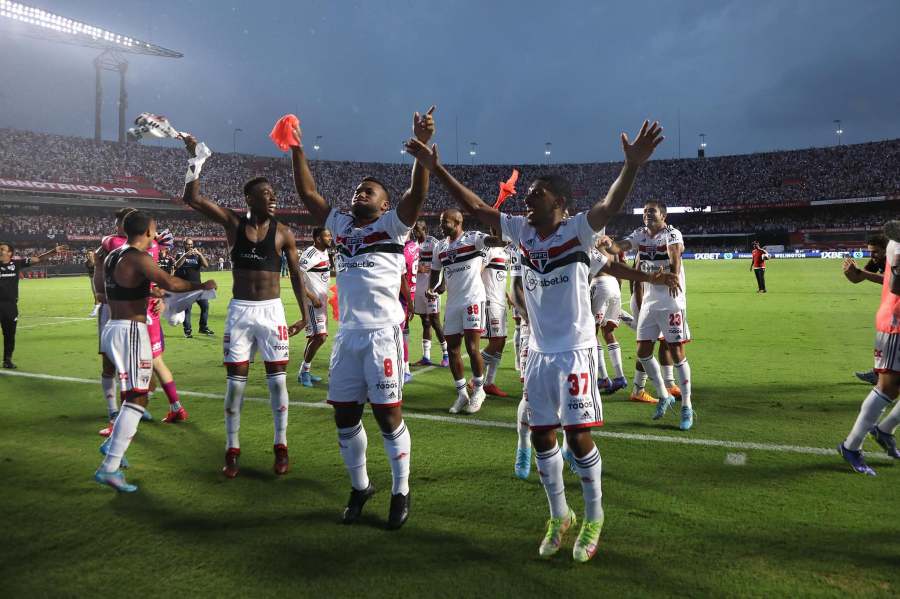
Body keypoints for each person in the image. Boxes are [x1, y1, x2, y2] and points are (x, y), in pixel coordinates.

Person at [405, 119, 666, 563]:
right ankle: (559, 514)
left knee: (578, 438)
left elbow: (609, 204)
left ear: (560, 204)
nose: (528, 198)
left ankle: (594, 516)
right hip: (541, 355)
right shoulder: (521, 232)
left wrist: (632, 167)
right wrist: (438, 166)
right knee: (543, 436)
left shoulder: (579, 231)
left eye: (538, 193)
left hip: (577, 352)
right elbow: (475, 205)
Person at [291, 105, 434, 530]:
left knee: (389, 416)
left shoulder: (393, 225)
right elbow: (308, 195)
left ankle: (400, 490)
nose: (359, 194)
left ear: (385, 203)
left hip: (383, 336)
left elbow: (418, 196)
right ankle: (360, 486)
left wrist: (422, 147)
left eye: (368, 191)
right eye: (357, 190)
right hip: (348, 335)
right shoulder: (341, 225)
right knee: (345, 416)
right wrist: (296, 147)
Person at [181, 133, 307, 478]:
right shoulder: (233, 223)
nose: (273, 198)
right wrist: (195, 159)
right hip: (240, 311)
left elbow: (296, 276)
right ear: (248, 198)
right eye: (266, 194)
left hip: (272, 312)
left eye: (274, 194)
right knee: (234, 386)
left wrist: (306, 317)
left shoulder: (284, 233)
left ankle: (280, 447)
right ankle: (232, 449)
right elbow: (191, 197)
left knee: (277, 385)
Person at [93, 210, 216, 492]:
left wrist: (149, 294)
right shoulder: (138, 256)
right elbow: (170, 282)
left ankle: (113, 445)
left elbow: (114, 286)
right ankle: (109, 467)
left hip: (113, 326)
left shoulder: (114, 254)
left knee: (135, 391)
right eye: (154, 228)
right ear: (147, 231)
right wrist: (201, 286)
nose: (155, 232)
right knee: (139, 398)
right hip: (131, 331)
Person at [611, 199, 695, 430]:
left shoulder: (671, 233)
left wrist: (674, 276)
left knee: (676, 351)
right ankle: (663, 394)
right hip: (649, 300)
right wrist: (606, 244)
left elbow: (675, 254)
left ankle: (686, 405)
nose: (647, 214)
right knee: (643, 351)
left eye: (652, 211)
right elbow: (620, 247)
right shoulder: (640, 233)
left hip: (671, 299)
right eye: (645, 211)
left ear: (663, 216)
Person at [838, 222, 900, 475]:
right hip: (896, 322)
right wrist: (861, 276)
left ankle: (884, 430)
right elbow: (896, 285)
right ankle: (851, 446)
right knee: (887, 387)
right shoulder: (897, 243)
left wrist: (863, 275)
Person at [428, 209, 502, 414]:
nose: (441, 224)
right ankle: (462, 393)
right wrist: (433, 288)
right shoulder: (439, 246)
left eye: (445, 221)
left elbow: (496, 242)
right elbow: (437, 273)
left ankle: (479, 390)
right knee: (452, 349)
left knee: (472, 347)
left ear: (458, 221)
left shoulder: (474, 238)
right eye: (441, 221)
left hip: (473, 300)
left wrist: (498, 226)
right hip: (452, 303)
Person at [0, 242, 65, 369]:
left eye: (2, 249)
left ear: (10, 253)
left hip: (10, 306)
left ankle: (7, 360)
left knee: (9, 335)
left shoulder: (16, 264)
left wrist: (53, 251)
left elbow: (38, 259)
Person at [843, 234, 888, 385]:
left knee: (887, 340)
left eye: (875, 252)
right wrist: (849, 273)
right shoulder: (876, 261)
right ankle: (878, 373)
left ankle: (880, 375)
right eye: (870, 251)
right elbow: (858, 279)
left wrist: (862, 272)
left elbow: (887, 281)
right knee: (885, 340)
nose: (872, 255)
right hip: (893, 308)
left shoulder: (894, 260)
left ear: (886, 250)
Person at [297, 226, 333, 387]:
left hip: (322, 303)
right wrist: (311, 296)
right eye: (327, 236)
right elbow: (296, 278)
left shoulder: (324, 252)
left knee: (315, 337)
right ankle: (304, 372)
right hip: (313, 303)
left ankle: (304, 372)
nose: (330, 238)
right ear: (318, 238)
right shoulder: (309, 254)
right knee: (321, 336)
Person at [591, 240, 627, 394]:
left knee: (591, 333)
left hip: (599, 284)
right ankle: (620, 377)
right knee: (608, 332)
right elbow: (619, 269)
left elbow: (586, 272)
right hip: (614, 286)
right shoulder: (611, 244)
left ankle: (604, 378)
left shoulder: (588, 242)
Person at [412, 220, 449, 367]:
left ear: (425, 229)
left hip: (431, 288)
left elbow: (446, 262)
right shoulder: (412, 245)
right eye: (414, 229)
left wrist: (443, 283)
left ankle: (446, 354)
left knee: (435, 321)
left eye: (419, 229)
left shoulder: (434, 243)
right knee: (425, 321)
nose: (416, 232)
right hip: (418, 288)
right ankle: (426, 356)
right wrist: (417, 269)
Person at [481, 229, 511, 397]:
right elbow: (478, 272)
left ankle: (489, 383)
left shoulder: (503, 252)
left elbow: (496, 277)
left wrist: (507, 295)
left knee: (501, 341)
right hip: (490, 300)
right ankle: (476, 379)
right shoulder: (489, 249)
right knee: (495, 341)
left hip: (500, 301)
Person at [174, 239, 213, 338]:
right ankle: (187, 330)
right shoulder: (180, 255)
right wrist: (185, 255)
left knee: (205, 306)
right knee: (187, 309)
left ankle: (203, 327)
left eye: (191, 244)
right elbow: (177, 265)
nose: (190, 246)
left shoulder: (197, 256)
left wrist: (200, 254)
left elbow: (206, 265)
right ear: (184, 245)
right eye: (188, 244)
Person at [86, 251, 101, 317]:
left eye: (90, 254)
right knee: (95, 295)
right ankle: (96, 310)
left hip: (99, 279)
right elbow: (91, 266)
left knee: (98, 295)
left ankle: (95, 310)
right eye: (88, 254)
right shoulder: (86, 263)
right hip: (92, 279)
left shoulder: (97, 260)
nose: (89, 255)